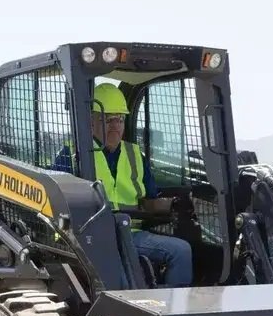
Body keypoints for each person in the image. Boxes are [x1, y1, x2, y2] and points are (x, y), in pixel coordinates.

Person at [52, 82, 193, 287]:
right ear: (91, 121)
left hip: (131, 233)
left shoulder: (134, 155)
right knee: (121, 276)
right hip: (91, 238)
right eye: (109, 119)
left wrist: (174, 204)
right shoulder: (71, 155)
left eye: (120, 119)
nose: (116, 126)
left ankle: (176, 312)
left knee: (181, 251)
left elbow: (149, 202)